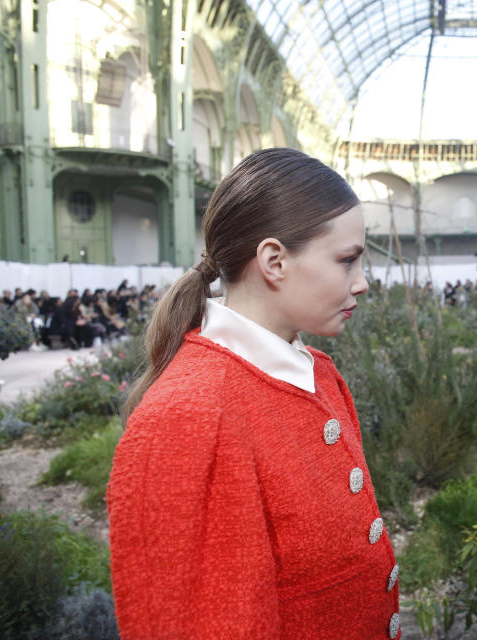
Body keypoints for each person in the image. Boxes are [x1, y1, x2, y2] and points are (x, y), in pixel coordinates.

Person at [107, 148, 401, 640]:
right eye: (347, 260)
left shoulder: (318, 375)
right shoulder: (191, 416)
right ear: (273, 260)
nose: (362, 282)